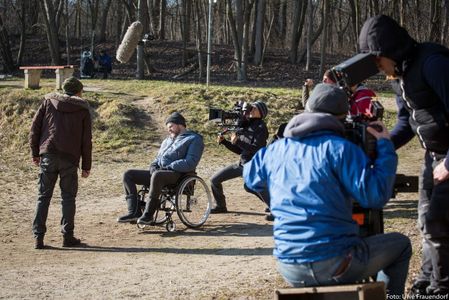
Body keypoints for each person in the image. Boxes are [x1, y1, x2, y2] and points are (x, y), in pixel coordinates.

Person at [243, 83, 412, 297]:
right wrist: (385, 146)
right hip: (337, 263)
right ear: (342, 117)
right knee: (401, 245)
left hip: (289, 266)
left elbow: (250, 180)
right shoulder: (340, 149)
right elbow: (375, 196)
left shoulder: (275, 150)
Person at [359, 14, 449, 296]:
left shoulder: (434, 64)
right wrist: (380, 144)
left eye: (376, 59)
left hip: (447, 157)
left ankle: (442, 288)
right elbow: (406, 123)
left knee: (438, 222)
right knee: (424, 220)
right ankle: (426, 280)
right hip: (431, 155)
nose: (376, 66)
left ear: (390, 50)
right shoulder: (398, 76)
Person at [29, 77, 92, 249]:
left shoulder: (48, 102)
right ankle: (67, 236)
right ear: (79, 91)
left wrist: (35, 152)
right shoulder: (83, 109)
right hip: (70, 159)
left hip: (48, 154)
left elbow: (35, 129)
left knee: (43, 197)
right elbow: (86, 141)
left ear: (63, 89)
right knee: (68, 198)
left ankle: (38, 237)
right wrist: (86, 166)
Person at [117, 112, 204, 225]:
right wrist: (153, 166)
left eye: (171, 126)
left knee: (158, 175)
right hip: (159, 173)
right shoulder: (167, 141)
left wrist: (169, 167)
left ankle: (148, 215)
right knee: (128, 174)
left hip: (178, 174)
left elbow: (191, 162)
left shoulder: (194, 139)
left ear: (180, 125)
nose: (169, 130)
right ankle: (134, 212)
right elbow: (157, 159)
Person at [210, 101, 270, 217]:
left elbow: (256, 149)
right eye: (250, 108)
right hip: (242, 164)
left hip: (253, 165)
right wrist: (225, 142)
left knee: (251, 187)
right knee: (214, 180)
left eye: (254, 109)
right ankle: (220, 206)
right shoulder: (245, 125)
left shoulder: (261, 127)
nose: (251, 110)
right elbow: (240, 150)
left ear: (261, 113)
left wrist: (238, 141)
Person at [302, 69, 376, 117]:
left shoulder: (363, 95)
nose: (323, 82)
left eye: (326, 79)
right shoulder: (345, 94)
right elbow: (309, 106)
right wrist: (306, 87)